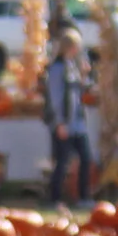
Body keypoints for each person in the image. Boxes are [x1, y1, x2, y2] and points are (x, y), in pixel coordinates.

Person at [43, 25, 92, 205]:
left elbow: (79, 90)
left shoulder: (72, 66)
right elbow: (55, 96)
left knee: (86, 158)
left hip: (77, 123)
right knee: (62, 162)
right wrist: (59, 123)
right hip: (64, 123)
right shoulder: (57, 69)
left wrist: (84, 75)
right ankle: (54, 198)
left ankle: (84, 197)